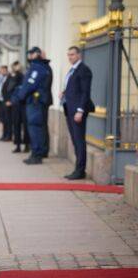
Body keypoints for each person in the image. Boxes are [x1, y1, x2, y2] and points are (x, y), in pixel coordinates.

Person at [60, 46, 95, 180]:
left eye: (72, 55)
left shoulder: (83, 70)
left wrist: (80, 110)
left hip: (77, 111)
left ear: (79, 55)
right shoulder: (73, 70)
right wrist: (64, 92)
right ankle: (78, 169)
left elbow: (85, 93)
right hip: (69, 109)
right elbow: (75, 89)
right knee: (75, 140)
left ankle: (80, 170)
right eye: (68, 55)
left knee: (79, 141)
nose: (70, 57)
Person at [12, 47, 50, 165]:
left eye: (32, 53)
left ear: (37, 54)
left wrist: (19, 97)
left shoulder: (37, 68)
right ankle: (36, 153)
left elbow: (29, 85)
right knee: (34, 128)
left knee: (35, 128)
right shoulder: (36, 67)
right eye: (29, 53)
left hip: (35, 103)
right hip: (33, 103)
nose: (30, 55)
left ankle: (37, 154)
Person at [9, 61, 29, 153]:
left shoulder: (24, 75)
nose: (17, 67)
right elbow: (9, 89)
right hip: (16, 104)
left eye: (18, 66)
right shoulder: (13, 76)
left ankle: (27, 145)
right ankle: (17, 145)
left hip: (24, 104)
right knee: (16, 125)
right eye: (15, 66)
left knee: (25, 125)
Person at [41, 51, 53, 158]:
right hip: (42, 100)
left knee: (43, 126)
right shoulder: (42, 67)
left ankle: (44, 149)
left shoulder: (45, 68)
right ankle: (42, 148)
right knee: (41, 126)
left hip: (43, 101)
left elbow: (45, 86)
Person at [0, 65, 12, 141]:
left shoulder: (9, 78)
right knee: (3, 119)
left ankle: (8, 136)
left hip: (6, 101)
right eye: (0, 70)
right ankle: (4, 135)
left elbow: (9, 90)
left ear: (6, 70)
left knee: (8, 120)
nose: (1, 72)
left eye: (3, 70)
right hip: (0, 100)